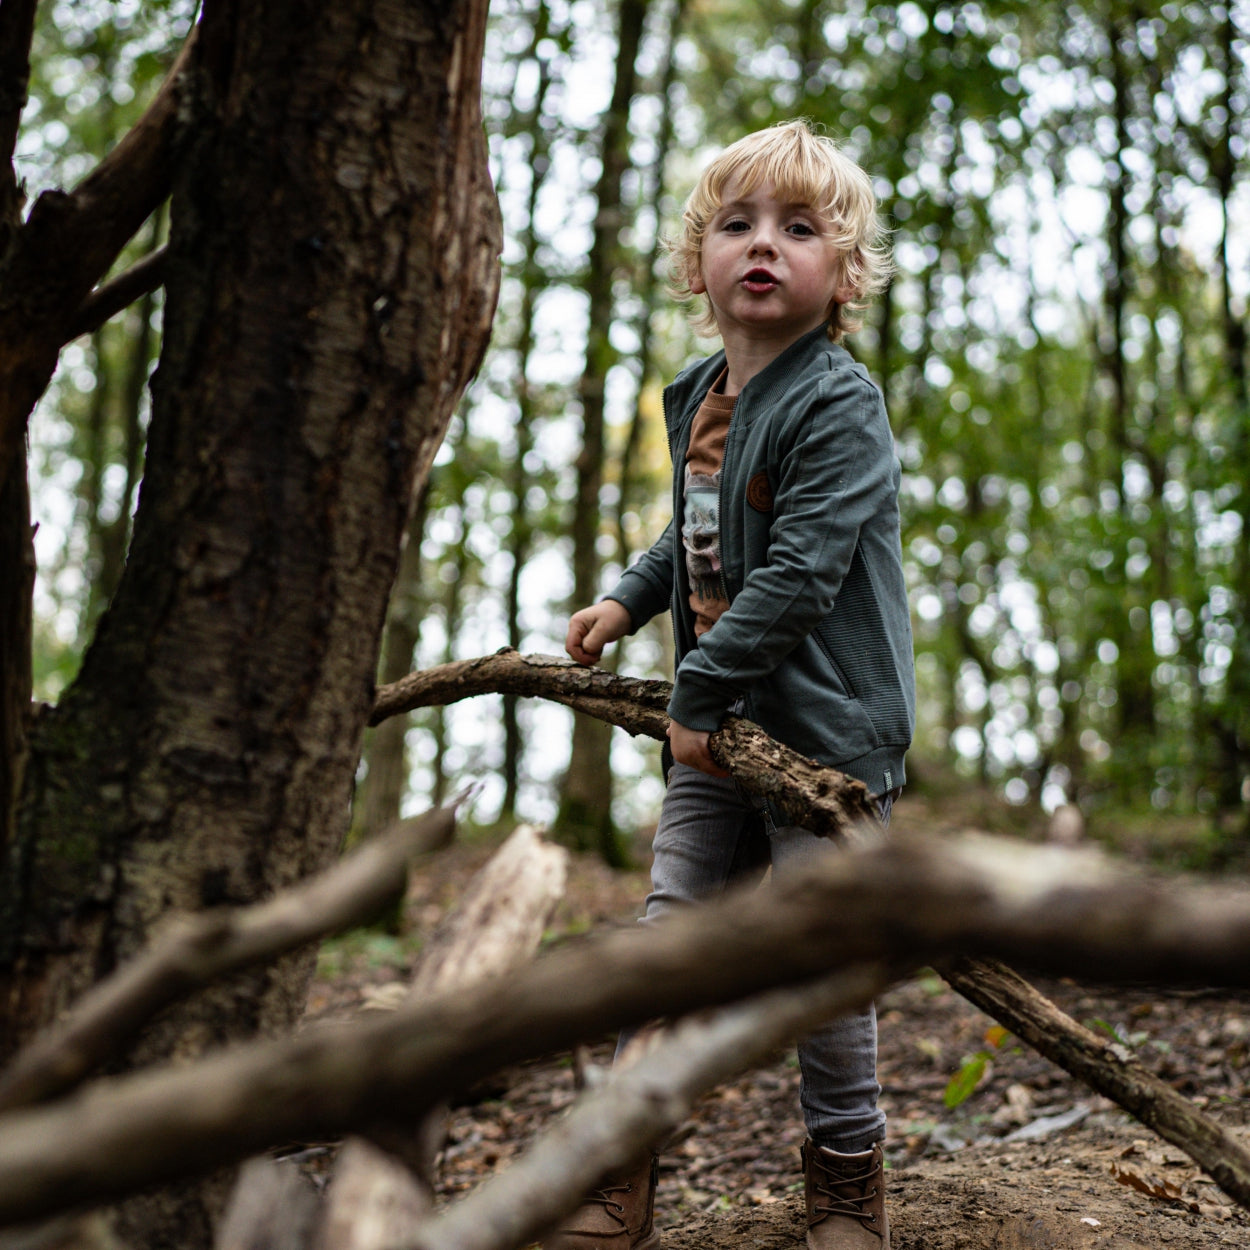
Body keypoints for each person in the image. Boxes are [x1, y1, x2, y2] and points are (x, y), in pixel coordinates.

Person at [553, 119, 915, 1250]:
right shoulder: (699, 394)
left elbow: (800, 574)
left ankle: (846, 1179)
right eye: (737, 223)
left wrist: (694, 696)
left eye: (798, 228)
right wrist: (625, 600)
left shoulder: (838, 406)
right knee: (667, 938)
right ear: (696, 260)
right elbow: (691, 538)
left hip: (823, 742)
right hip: (713, 732)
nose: (763, 245)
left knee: (822, 960)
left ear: (840, 274)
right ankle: (618, 1165)